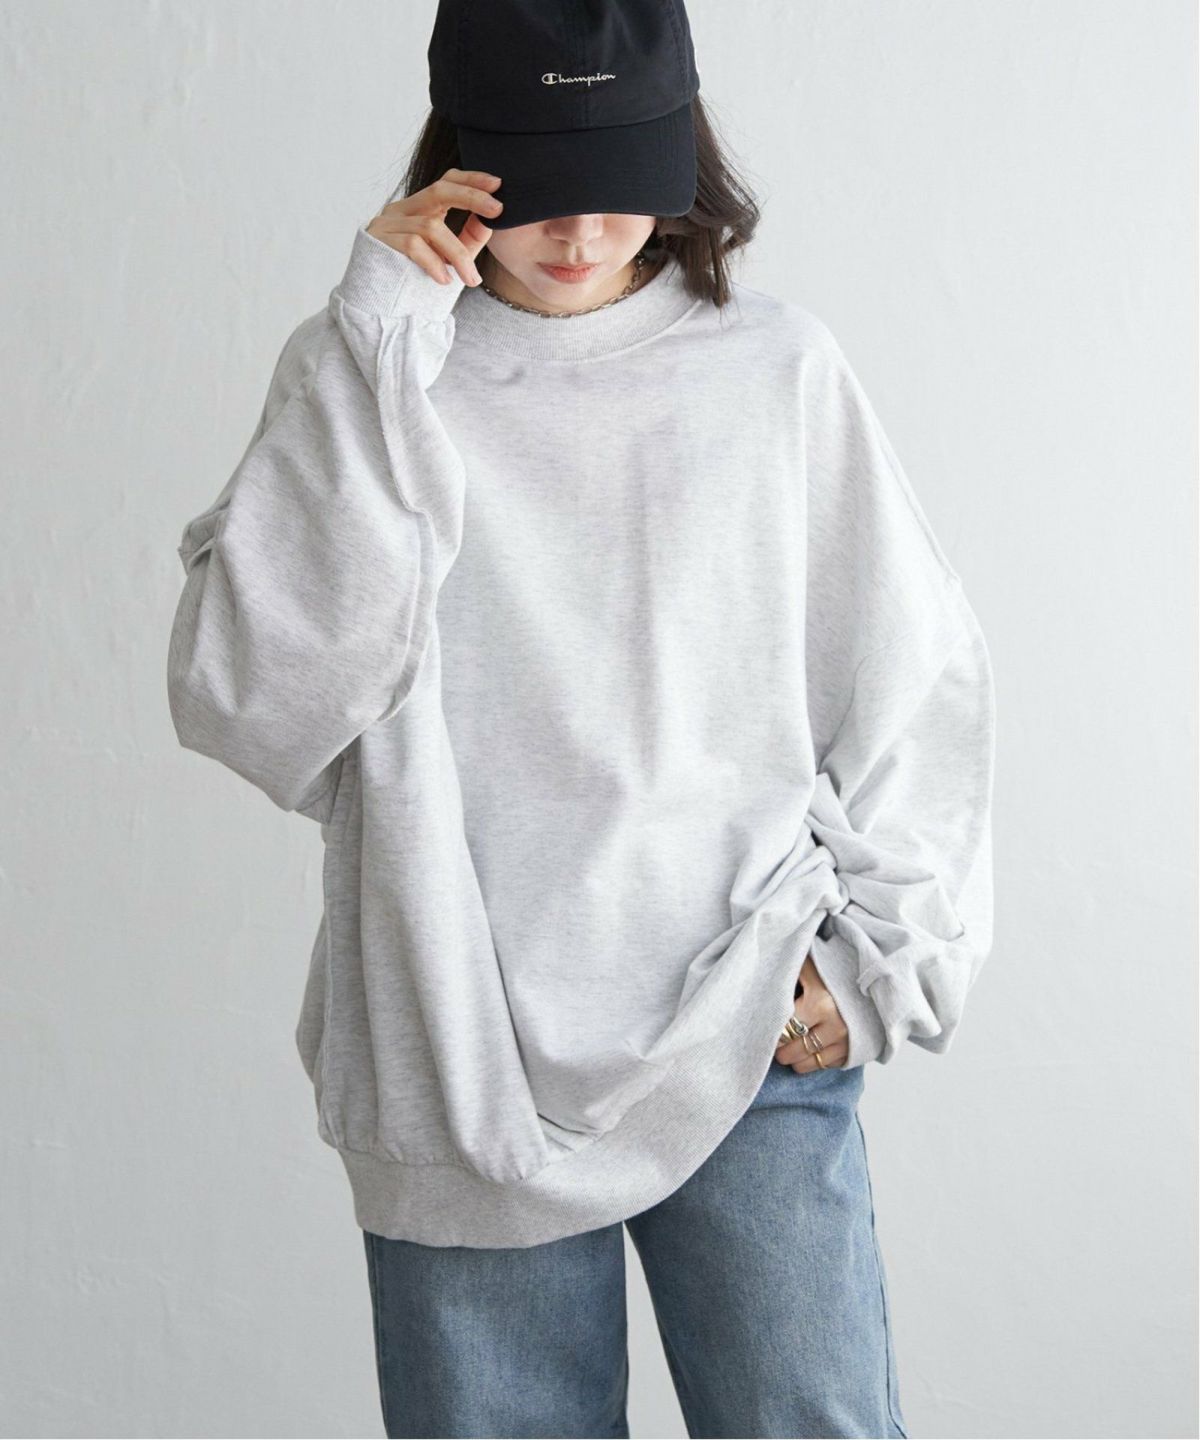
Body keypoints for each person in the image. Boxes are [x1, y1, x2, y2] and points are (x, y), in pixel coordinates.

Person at [166, 1, 995, 1435]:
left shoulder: (772, 370)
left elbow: (915, 679)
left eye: (620, 177)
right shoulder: (370, 369)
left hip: (744, 1018)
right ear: (458, 159)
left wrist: (883, 967)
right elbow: (254, 701)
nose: (581, 230)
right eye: (539, 183)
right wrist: (378, 346)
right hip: (458, 1049)